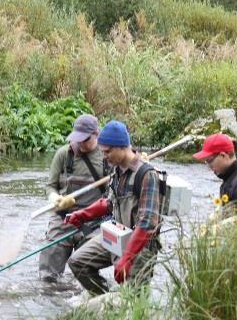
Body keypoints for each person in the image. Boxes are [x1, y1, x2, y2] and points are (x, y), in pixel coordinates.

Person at [64, 120, 162, 295]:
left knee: (133, 301)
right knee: (77, 262)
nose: (104, 156)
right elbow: (108, 203)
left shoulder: (147, 175)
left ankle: (122, 307)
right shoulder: (116, 170)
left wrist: (127, 257)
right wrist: (82, 214)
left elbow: (147, 223)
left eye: (107, 151)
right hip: (117, 236)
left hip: (140, 246)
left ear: (122, 147)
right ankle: (106, 301)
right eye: (102, 152)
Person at [38, 114, 109, 284]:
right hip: (64, 219)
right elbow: (50, 186)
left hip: (94, 222)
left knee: (85, 269)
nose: (80, 143)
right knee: (48, 275)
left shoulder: (106, 155)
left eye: (85, 139)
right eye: (77, 139)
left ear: (96, 135)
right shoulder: (63, 154)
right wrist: (54, 197)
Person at [193, 133, 237, 227]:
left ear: (223, 155)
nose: (209, 167)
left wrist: (221, 227)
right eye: (206, 162)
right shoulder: (231, 178)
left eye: (210, 161)